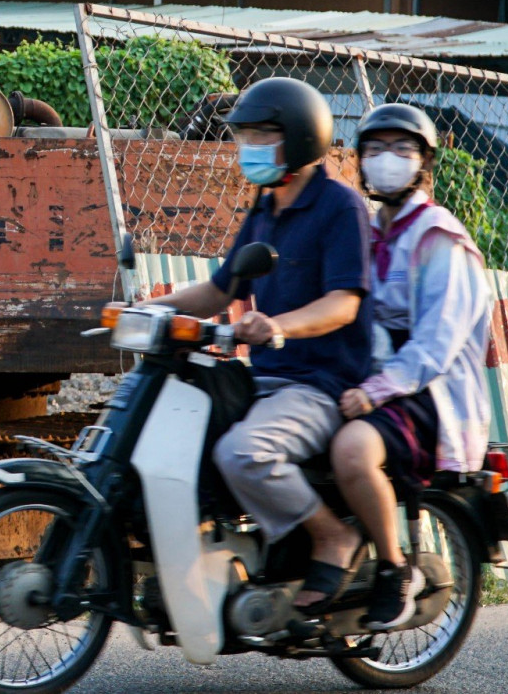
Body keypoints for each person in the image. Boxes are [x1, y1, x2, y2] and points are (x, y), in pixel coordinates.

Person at [139, 76, 376, 613]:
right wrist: (148, 309)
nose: (247, 149)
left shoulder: (341, 208)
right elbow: (220, 289)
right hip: (266, 379)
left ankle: (332, 537)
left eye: (260, 136)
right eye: (243, 137)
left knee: (243, 453)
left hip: (319, 382)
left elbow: (345, 302)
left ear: (297, 138)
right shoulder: (265, 208)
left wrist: (280, 326)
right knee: (176, 438)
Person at [330, 103, 492, 630]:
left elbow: (435, 345)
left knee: (353, 451)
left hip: (428, 393)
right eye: (375, 149)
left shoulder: (438, 238)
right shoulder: (366, 230)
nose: (386, 160)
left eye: (402, 149)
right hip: (368, 380)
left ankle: (395, 569)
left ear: (424, 162)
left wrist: (375, 391)